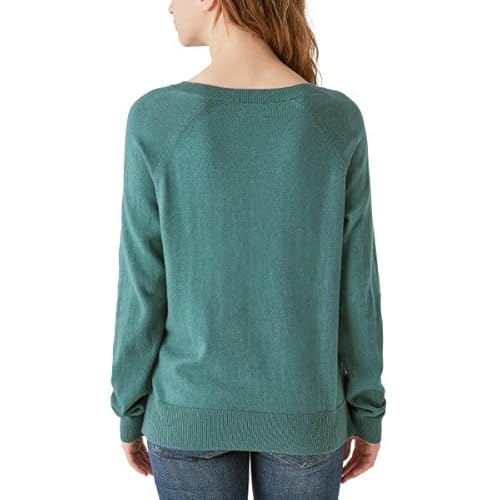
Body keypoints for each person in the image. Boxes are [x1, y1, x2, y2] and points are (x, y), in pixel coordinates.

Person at [109, 0, 387, 498]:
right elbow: (357, 288)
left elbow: (142, 286)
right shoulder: (336, 119)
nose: (169, 5)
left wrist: (130, 407)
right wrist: (366, 408)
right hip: (306, 413)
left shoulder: (156, 119)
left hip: (188, 410)